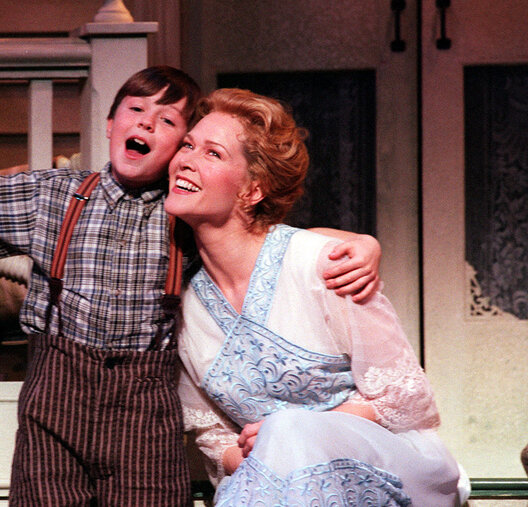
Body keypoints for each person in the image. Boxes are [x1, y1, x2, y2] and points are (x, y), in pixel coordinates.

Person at [0, 68, 379, 506]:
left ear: (179, 149)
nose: (146, 122)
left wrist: (360, 243)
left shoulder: (184, 214)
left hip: (145, 408)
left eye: (168, 121)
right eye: (135, 110)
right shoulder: (53, 195)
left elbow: (266, 237)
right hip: (56, 397)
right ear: (111, 123)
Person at [165, 88, 466, 506]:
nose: (186, 159)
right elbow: (214, 436)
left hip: (391, 467)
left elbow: (405, 397)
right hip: (270, 484)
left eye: (212, 153)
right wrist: (261, 453)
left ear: (252, 190)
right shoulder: (185, 304)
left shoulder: (324, 265)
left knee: (289, 428)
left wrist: (291, 430)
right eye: (187, 145)